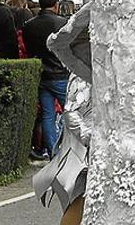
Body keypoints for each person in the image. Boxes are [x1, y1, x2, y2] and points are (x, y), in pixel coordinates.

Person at [33, 73, 91, 225]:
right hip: (86, 155)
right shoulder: (84, 70)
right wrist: (94, 139)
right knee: (79, 200)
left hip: (119, 152)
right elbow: (71, 112)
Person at [23, 0, 70, 158]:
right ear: (56, 5)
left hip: (42, 75)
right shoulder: (63, 24)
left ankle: (53, 152)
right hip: (61, 74)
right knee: (71, 111)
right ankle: (69, 148)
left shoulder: (29, 26)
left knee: (48, 115)